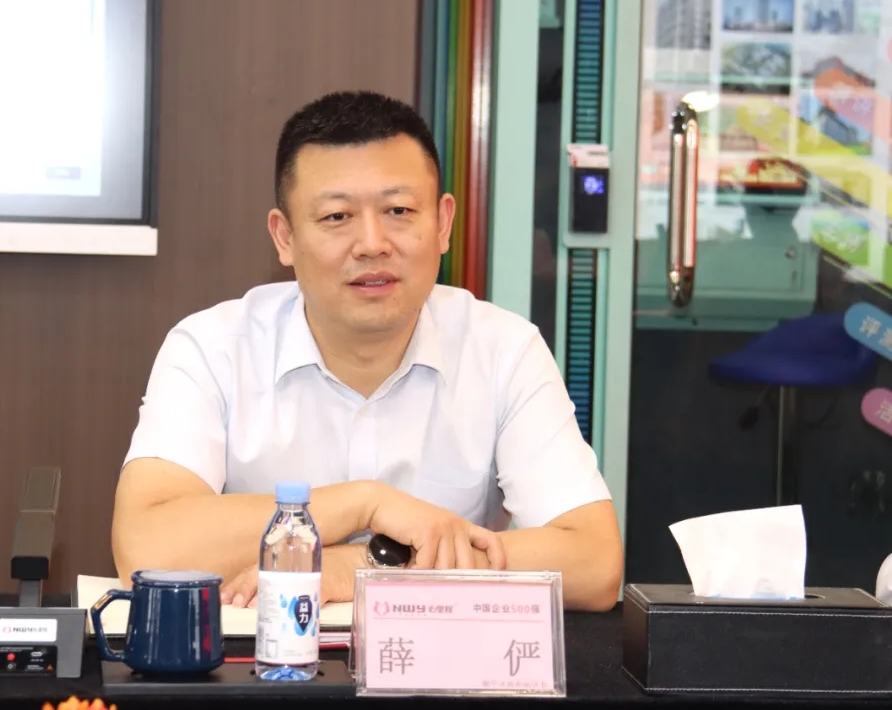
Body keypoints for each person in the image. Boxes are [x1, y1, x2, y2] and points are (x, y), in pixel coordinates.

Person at [111, 91, 623, 612]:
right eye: (337, 216)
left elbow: (594, 563)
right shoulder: (212, 349)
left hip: (439, 660)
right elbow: (147, 551)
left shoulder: (503, 350)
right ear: (284, 237)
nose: (373, 243)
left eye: (399, 210)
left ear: (443, 224)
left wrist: (368, 563)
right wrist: (364, 505)